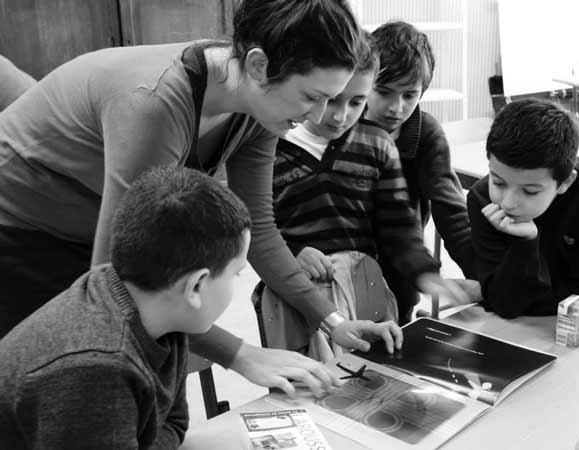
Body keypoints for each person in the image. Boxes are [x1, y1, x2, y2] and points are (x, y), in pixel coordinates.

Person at [0, 0, 397, 388]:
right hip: (21, 225)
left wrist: (333, 320)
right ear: (260, 65)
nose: (320, 115)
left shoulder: (259, 102)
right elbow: (120, 284)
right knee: (69, 377)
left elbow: (257, 226)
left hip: (92, 221)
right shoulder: (154, 105)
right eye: (312, 97)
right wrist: (241, 354)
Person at [0, 166, 340, 449]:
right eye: (236, 274)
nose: (237, 281)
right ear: (195, 286)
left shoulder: (163, 314)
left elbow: (173, 424)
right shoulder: (96, 366)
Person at [267, 33, 464, 359]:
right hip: (295, 298)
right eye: (332, 99)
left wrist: (423, 273)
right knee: (302, 390)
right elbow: (253, 227)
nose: (341, 115)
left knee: (372, 379)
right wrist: (293, 251)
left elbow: (399, 227)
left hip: (365, 291)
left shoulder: (378, 145)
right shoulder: (271, 144)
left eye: (356, 102)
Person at [467, 98, 579, 319]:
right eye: (498, 182)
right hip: (516, 325)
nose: (508, 202)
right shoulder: (482, 200)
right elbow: (504, 303)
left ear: (565, 182)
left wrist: (504, 297)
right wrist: (526, 243)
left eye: (530, 191)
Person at [364, 21, 479, 323]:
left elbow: (451, 209)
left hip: (402, 268)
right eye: (384, 92)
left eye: (409, 95)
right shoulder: (342, 126)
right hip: (344, 269)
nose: (396, 107)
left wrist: (483, 277)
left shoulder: (426, 133)